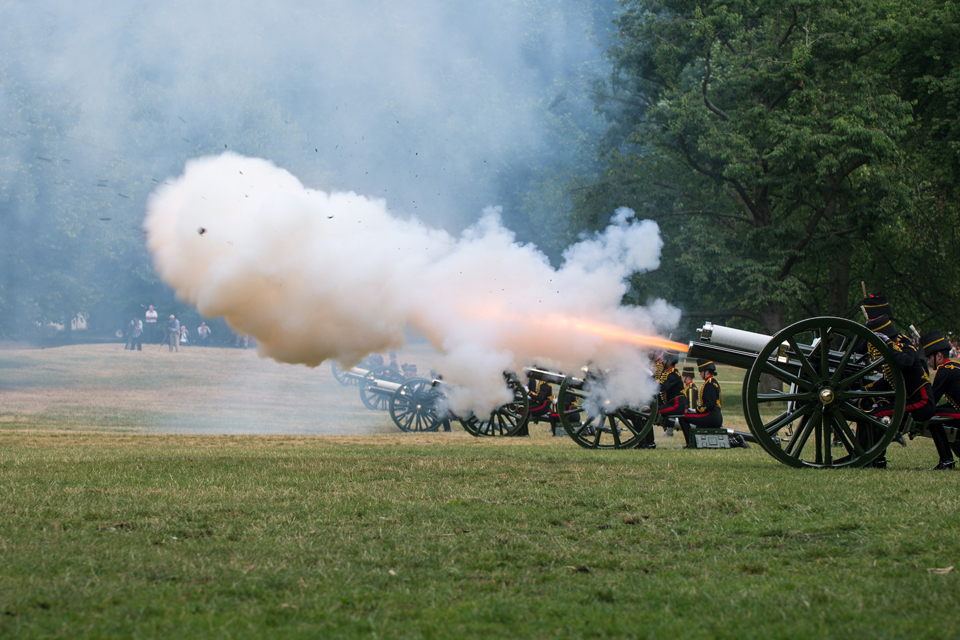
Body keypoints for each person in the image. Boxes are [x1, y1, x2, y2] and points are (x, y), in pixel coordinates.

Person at [855, 315, 934, 468]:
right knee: (870, 413)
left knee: (875, 415)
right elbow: (887, 381)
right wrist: (862, 391)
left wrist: (888, 344)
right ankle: (862, 455)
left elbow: (905, 363)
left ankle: (874, 458)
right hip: (911, 400)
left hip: (921, 402)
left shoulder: (905, 345)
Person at [920, 330, 960, 469]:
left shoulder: (944, 370)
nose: (929, 361)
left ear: (938, 355)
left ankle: (947, 460)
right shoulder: (954, 366)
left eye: (930, 358)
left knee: (932, 416)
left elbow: (931, 400)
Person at [678, 359, 725, 448]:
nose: (699, 374)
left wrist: (696, 410)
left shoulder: (709, 384)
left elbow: (709, 404)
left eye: (701, 371)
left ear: (706, 371)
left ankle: (690, 444)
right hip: (714, 415)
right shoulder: (712, 382)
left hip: (711, 416)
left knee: (683, 418)